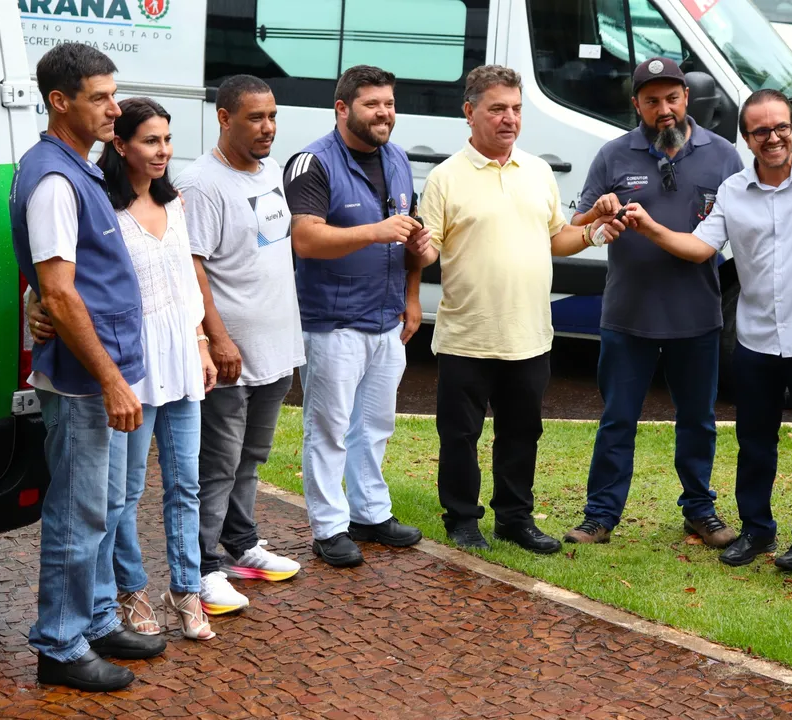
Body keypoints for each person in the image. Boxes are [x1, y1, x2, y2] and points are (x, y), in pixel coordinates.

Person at [614, 89, 792, 571]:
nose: (773, 138)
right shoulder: (734, 191)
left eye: (781, 127)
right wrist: (651, 227)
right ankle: (757, 530)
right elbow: (700, 248)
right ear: (747, 138)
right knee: (755, 444)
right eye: (761, 131)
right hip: (756, 342)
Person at [29, 97, 220, 640]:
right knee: (124, 491)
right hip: (129, 363)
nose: (163, 151)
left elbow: (187, 283)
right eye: (150, 140)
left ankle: (185, 588)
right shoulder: (101, 206)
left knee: (186, 483)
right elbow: (59, 278)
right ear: (121, 145)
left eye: (167, 139)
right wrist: (34, 305)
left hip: (181, 356)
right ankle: (128, 589)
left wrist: (202, 341)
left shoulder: (175, 203)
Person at [417, 65, 626, 554]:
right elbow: (429, 251)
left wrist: (594, 231)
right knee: (461, 437)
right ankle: (463, 520)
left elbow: (557, 238)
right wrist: (414, 245)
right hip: (467, 335)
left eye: (515, 109)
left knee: (521, 434)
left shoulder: (537, 171)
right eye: (497, 109)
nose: (509, 119)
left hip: (529, 334)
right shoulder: (445, 178)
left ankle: (515, 518)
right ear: (469, 113)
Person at [9, 43, 165, 693]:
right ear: (59, 102)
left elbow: (51, 285)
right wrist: (108, 378)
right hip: (80, 383)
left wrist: (37, 301)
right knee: (77, 515)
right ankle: (60, 644)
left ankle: (97, 618)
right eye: (101, 96)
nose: (116, 106)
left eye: (114, 92)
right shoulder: (53, 178)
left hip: (96, 375)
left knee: (98, 508)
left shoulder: (77, 168)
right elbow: (62, 290)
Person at [562, 58, 742, 550]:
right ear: (636, 104)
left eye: (672, 98)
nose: (664, 110)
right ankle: (600, 514)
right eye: (651, 100)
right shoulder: (613, 155)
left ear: (687, 98)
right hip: (628, 316)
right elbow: (575, 230)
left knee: (698, 420)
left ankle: (700, 509)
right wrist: (596, 216)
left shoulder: (724, 156)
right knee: (618, 418)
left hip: (697, 315)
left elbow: (741, 229)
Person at [284, 65, 431, 568]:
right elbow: (305, 238)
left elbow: (410, 234)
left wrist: (416, 283)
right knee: (327, 426)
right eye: (373, 104)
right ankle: (328, 527)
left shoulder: (396, 158)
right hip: (332, 322)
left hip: (387, 318)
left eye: (389, 103)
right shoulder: (312, 163)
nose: (385, 113)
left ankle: (370, 513)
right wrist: (374, 230)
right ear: (342, 108)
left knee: (375, 424)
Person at [176, 75, 305, 614]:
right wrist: (217, 338)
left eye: (272, 116)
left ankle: (243, 544)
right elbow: (191, 265)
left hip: (276, 344)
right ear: (224, 118)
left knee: (252, 456)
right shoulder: (201, 183)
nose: (268, 127)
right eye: (255, 117)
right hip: (232, 353)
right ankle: (202, 569)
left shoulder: (271, 170)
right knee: (218, 463)